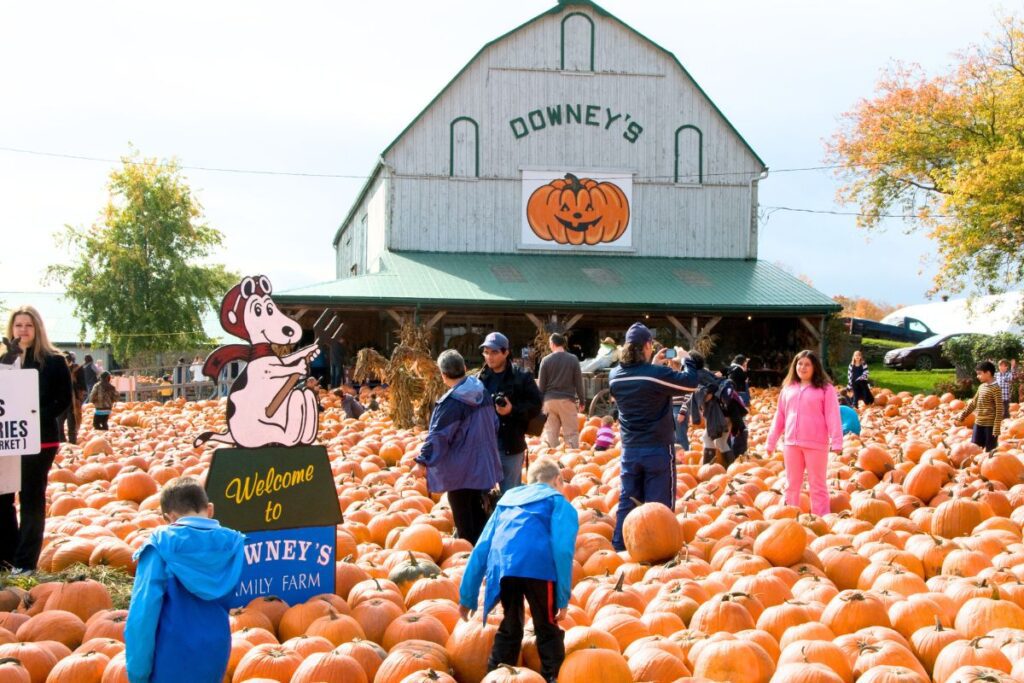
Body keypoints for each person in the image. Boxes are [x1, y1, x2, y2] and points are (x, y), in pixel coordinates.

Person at [459, 458, 578, 683]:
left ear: (530, 482)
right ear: (558, 480)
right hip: (540, 568)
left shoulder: (507, 500)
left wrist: (468, 595)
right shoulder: (559, 503)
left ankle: (495, 676)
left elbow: (482, 547)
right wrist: (563, 598)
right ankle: (553, 677)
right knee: (547, 626)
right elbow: (563, 551)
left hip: (505, 568)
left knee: (511, 625)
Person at [125, 476, 245, 683]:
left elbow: (143, 614)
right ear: (210, 509)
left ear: (169, 517)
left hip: (169, 657)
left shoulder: (160, 547)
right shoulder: (233, 544)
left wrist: (137, 673)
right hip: (215, 653)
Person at [607, 323, 698, 551]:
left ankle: (620, 547)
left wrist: (653, 365)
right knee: (659, 507)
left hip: (629, 448)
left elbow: (641, 383)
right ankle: (659, 554)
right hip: (657, 448)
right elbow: (690, 384)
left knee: (628, 499)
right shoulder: (654, 375)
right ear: (648, 345)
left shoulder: (615, 376)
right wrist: (687, 359)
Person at [0, 306, 72, 574]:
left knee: (31, 497)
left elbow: (63, 400)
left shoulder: (54, 360)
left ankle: (25, 563)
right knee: (3, 497)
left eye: (28, 325)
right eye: (18, 325)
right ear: (11, 329)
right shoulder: (4, 360)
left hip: (40, 441)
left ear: (37, 328)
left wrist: (34, 418)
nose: (23, 330)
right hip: (7, 440)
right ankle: (7, 558)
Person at [414, 350, 502, 544]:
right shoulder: (482, 391)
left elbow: (438, 437)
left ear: (443, 375)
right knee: (478, 512)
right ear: (464, 368)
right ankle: (482, 554)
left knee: (464, 519)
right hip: (482, 465)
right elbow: (494, 423)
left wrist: (422, 461)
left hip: (460, 470)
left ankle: (468, 557)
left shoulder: (452, 403)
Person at [766, 350, 843, 517]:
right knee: (791, 484)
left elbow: (833, 415)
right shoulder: (788, 388)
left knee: (818, 485)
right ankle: (790, 517)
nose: (803, 367)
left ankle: (821, 519)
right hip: (791, 444)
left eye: (807, 364)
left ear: (815, 367)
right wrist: (771, 441)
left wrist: (837, 441)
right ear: (795, 366)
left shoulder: (825, 389)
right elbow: (779, 416)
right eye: (799, 364)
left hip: (816, 444)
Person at [478, 332, 543, 494]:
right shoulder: (481, 378)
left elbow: (536, 405)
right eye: (486, 352)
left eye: (494, 352)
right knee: (480, 497)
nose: (489, 357)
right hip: (484, 448)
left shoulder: (521, 377)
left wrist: (512, 410)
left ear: (505, 352)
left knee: (511, 495)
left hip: (511, 446)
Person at [537, 333, 585, 450]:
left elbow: (541, 385)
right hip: (567, 400)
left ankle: (552, 461)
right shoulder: (573, 359)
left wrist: (539, 403)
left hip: (549, 401)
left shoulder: (545, 360)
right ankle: (571, 460)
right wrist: (582, 401)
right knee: (571, 433)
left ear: (552, 344)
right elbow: (578, 382)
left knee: (550, 434)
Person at [958, 360, 1003, 451]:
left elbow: (999, 409)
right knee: (974, 448)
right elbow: (974, 402)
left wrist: (997, 427)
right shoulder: (981, 387)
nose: (977, 376)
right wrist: (964, 414)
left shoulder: (996, 389)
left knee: (990, 450)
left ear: (988, 373)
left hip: (990, 426)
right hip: (978, 423)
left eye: (979, 374)